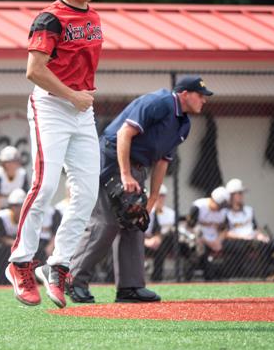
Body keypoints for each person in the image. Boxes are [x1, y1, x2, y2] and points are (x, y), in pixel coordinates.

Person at [6, 0, 105, 308]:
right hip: (51, 106)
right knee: (44, 185)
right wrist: (72, 96)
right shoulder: (49, 18)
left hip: (81, 110)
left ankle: (59, 265)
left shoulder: (94, 17)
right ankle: (20, 263)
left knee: (87, 195)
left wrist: (81, 96)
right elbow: (34, 70)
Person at [65, 75, 212, 303]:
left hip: (137, 168)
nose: (204, 100)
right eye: (200, 95)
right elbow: (124, 134)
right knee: (106, 222)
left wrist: (153, 197)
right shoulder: (159, 102)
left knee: (134, 222)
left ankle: (130, 287)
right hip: (113, 158)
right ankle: (72, 279)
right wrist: (124, 174)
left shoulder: (184, 124)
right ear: (185, 94)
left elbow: (163, 161)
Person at [223, 178, 274, 278]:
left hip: (255, 239)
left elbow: (255, 229)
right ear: (231, 196)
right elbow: (226, 233)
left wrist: (261, 236)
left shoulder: (249, 210)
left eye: (242, 193)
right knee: (260, 246)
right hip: (241, 242)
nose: (241, 196)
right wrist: (244, 237)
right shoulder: (226, 213)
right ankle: (268, 274)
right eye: (239, 193)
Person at [188, 186, 230, 280]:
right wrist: (208, 242)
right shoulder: (198, 206)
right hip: (200, 239)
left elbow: (225, 228)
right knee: (200, 250)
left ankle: (227, 276)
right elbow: (191, 227)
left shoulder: (223, 211)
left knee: (234, 247)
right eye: (219, 205)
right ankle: (205, 278)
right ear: (212, 199)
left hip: (216, 239)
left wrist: (218, 241)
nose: (220, 209)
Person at [144, 184, 177, 282]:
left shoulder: (170, 213)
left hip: (160, 243)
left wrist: (158, 238)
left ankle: (157, 279)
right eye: (158, 195)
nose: (160, 198)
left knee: (163, 246)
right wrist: (146, 241)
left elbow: (167, 230)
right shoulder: (145, 211)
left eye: (162, 196)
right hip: (143, 241)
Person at [0, 146, 28, 216]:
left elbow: (25, 198)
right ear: (5, 163)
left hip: (12, 207)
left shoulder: (22, 174)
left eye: (17, 160)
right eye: (14, 161)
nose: (17, 163)